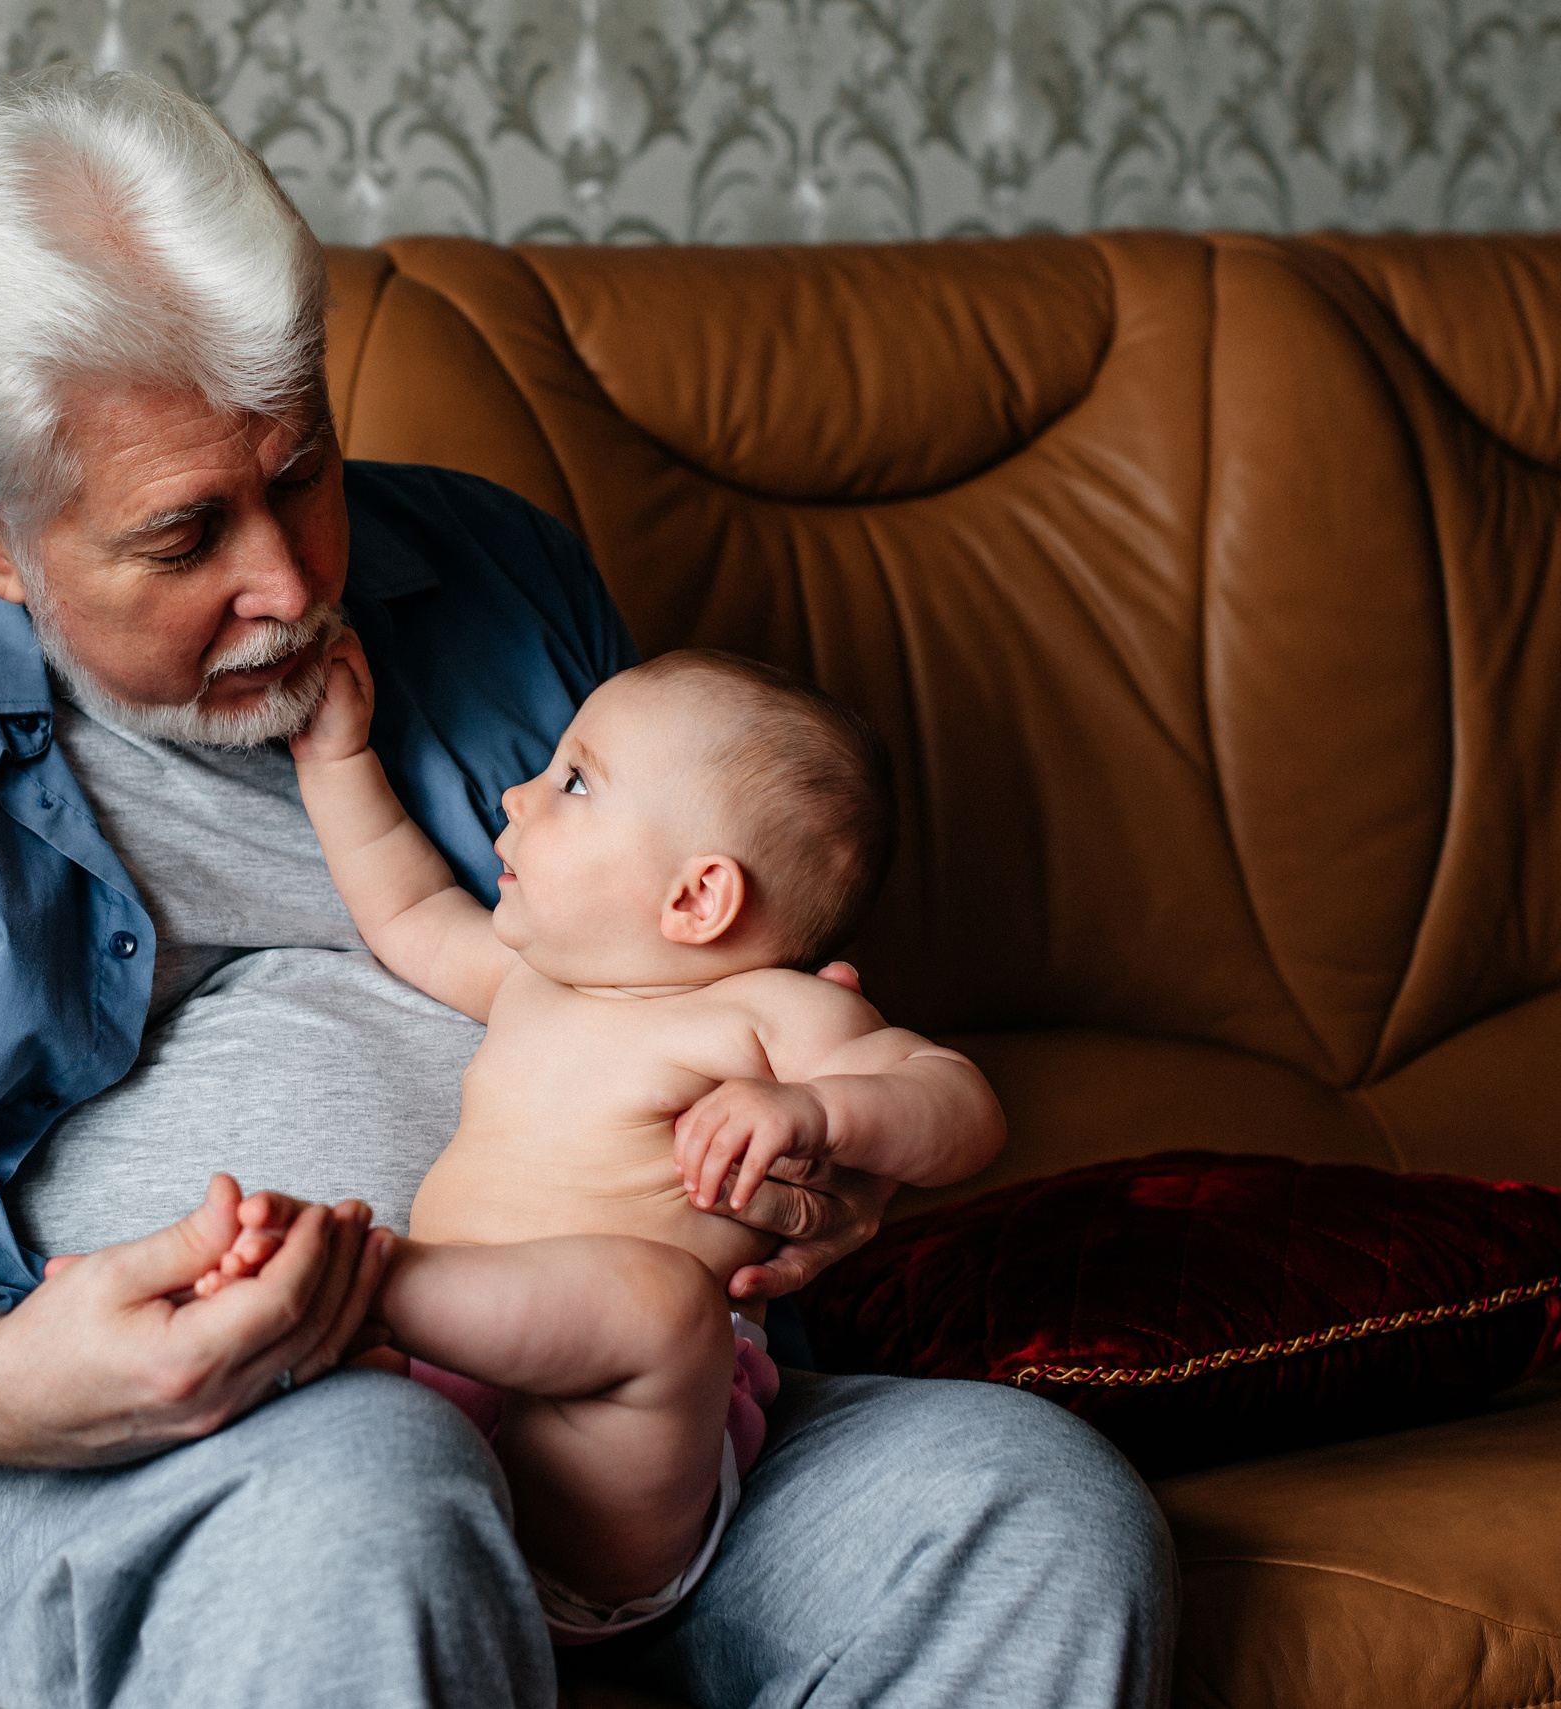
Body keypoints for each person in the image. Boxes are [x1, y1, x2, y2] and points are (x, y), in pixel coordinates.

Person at [0, 69, 1176, 1708]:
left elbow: (713, 1005)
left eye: (302, 468)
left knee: (1027, 1498)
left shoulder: (503, 575)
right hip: (125, 1451)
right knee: (367, 1484)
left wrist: (814, 1164)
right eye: (183, 537)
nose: (294, 583)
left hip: (619, 1408)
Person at [176, 640, 1008, 1640]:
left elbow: (960, 1104)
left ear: (696, 897)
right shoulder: (531, 980)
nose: (519, 794)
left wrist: (825, 1112)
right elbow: (405, 909)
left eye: (573, 779)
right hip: (427, 1419)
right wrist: (336, 763)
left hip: (616, 1447)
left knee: (659, 1307)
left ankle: (352, 1280)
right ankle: (316, 1329)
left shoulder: (767, 1015)